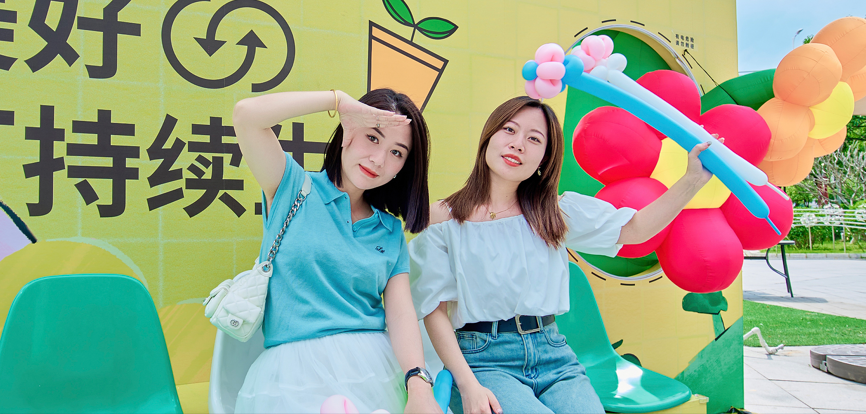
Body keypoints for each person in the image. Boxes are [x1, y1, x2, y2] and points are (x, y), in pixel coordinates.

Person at [410, 96, 715, 414]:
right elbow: (434, 310)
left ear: (544, 158)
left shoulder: (554, 212)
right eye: (509, 130)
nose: (518, 144)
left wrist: (692, 180)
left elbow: (635, 229)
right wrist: (467, 384)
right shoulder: (444, 219)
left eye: (534, 139)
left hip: (553, 352)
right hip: (482, 360)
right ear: (488, 136)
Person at [230, 88, 443, 414]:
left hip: (373, 368)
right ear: (348, 131)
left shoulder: (389, 229)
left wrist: (418, 382)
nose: (379, 160)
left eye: (396, 152)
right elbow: (246, 116)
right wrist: (337, 101)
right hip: (290, 374)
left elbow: (400, 314)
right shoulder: (292, 187)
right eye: (372, 137)